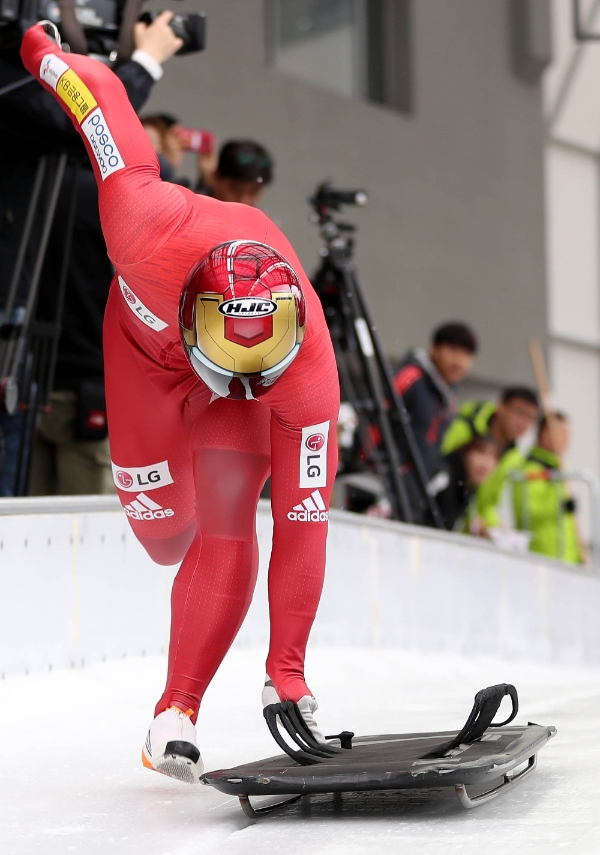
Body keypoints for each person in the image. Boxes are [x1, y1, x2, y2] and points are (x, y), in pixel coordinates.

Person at [21, 22, 339, 781]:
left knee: (230, 519)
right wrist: (43, 50)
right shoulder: (141, 221)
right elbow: (97, 98)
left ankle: (174, 712)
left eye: (258, 359)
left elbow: (305, 522)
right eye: (230, 357)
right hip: (142, 363)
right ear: (193, 309)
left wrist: (287, 671)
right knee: (165, 535)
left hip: (233, 390)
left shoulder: (303, 372)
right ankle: (180, 677)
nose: (241, 374)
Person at [0, 13, 182, 496]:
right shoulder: (115, 194)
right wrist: (144, 62)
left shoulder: (56, 179)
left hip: (63, 385)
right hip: (79, 386)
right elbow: (82, 119)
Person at [442, 386, 540, 530]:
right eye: (519, 413)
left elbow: (487, 503)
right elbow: (436, 468)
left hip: (460, 526)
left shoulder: (514, 457)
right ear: (501, 407)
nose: (523, 423)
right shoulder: (464, 426)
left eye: (530, 418)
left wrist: (494, 528)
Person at [393, 322, 478, 483]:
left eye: (467, 355)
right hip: (381, 486)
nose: (459, 361)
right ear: (434, 349)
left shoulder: (449, 397)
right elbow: (374, 422)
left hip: (411, 492)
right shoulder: (411, 378)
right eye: (453, 351)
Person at [513, 413, 583, 564]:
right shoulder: (531, 470)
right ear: (545, 434)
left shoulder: (559, 470)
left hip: (565, 557)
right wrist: (560, 505)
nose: (567, 440)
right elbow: (528, 510)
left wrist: (578, 554)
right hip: (542, 557)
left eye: (567, 435)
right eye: (562, 434)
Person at [435, 436, 502, 532]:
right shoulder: (444, 475)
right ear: (466, 452)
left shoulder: (468, 489)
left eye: (494, 457)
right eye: (481, 452)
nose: (486, 463)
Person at [196, 139, 273, 205]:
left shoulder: (264, 221)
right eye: (236, 190)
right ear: (216, 177)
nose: (244, 201)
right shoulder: (192, 210)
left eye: (253, 192)